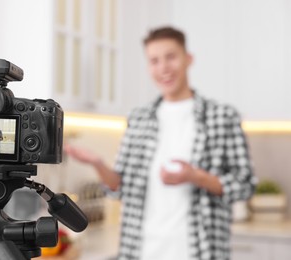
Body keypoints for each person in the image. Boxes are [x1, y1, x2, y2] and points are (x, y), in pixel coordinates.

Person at [65, 27, 256, 260]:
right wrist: (98, 164)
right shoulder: (139, 118)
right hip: (141, 251)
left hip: (201, 252)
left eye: (171, 57)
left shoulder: (222, 116)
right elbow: (119, 187)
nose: (163, 68)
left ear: (188, 59)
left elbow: (245, 185)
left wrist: (196, 176)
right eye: (154, 60)